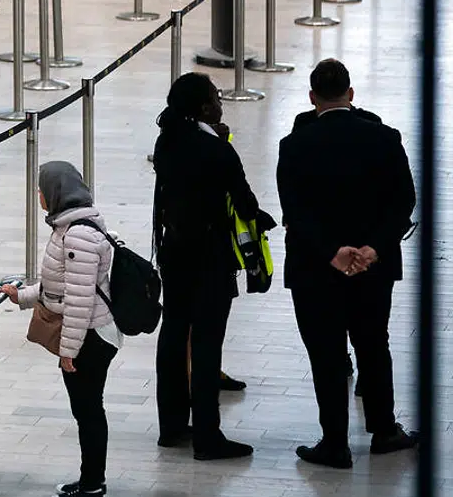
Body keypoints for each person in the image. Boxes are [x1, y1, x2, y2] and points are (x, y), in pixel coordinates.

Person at [277, 59, 419, 468]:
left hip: (315, 269)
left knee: (326, 352)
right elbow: (403, 201)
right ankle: (385, 429)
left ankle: (334, 441)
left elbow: (295, 212)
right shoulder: (385, 138)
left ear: (311, 98)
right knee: (374, 343)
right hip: (374, 268)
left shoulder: (295, 144)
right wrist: (373, 247)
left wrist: (332, 252)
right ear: (351, 94)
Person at [151, 72, 265, 460]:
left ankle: (171, 426)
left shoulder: (166, 141)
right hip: (210, 256)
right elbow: (245, 203)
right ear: (203, 107)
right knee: (206, 343)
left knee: (174, 333)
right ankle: (207, 435)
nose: (221, 103)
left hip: (174, 251)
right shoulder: (217, 149)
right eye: (216, 98)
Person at [1, 162, 121, 497]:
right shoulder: (67, 227)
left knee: (88, 411)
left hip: (91, 338)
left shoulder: (78, 236)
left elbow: (80, 301)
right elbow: (59, 287)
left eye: (40, 189)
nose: (38, 195)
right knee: (86, 410)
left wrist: (69, 351)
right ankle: (89, 479)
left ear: (54, 193)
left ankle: (93, 486)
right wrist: (21, 295)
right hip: (87, 335)